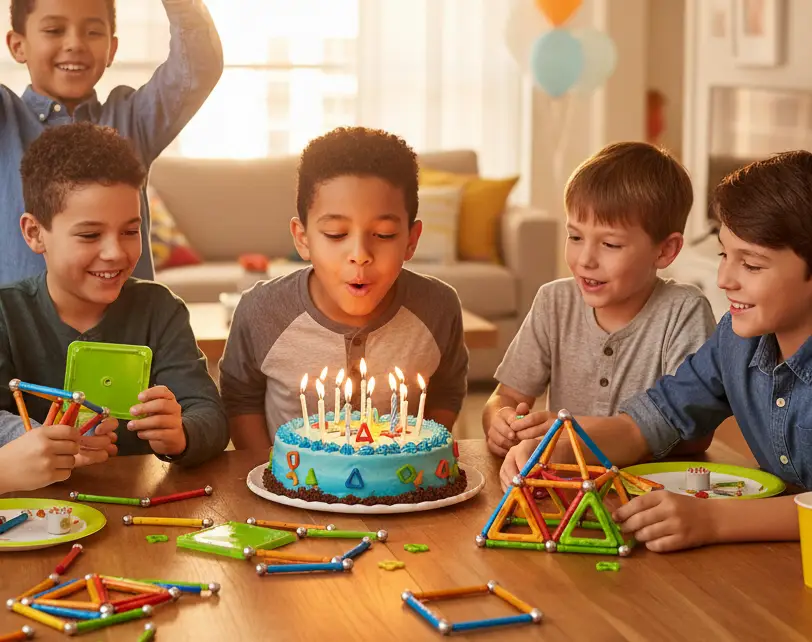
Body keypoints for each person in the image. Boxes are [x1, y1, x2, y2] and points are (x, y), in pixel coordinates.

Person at [502, 150, 812, 552]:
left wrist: (713, 520)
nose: (724, 280)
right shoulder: (734, 341)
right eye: (723, 254)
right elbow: (649, 422)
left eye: (751, 265)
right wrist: (560, 446)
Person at [0, 122, 228, 496]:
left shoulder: (160, 310)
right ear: (34, 233)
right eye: (90, 234)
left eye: (130, 231)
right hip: (35, 512)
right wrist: (43, 441)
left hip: (139, 507)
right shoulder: (6, 312)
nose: (116, 252)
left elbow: (210, 415)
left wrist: (181, 433)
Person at [221, 126, 468, 450]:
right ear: (302, 238)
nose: (360, 256)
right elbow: (240, 398)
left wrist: (418, 456)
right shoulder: (262, 311)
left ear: (411, 240)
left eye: (383, 234)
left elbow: (447, 388)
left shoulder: (438, 308)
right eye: (336, 234)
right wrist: (265, 468)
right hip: (290, 491)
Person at [483, 142, 716, 457]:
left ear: (665, 250)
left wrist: (573, 433)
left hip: (655, 488)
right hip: (568, 483)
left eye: (610, 244)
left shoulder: (684, 311)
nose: (585, 259)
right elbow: (506, 396)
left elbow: (696, 437)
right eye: (575, 237)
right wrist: (501, 420)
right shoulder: (554, 302)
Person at [0, 0, 223, 285]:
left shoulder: (132, 119)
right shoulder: (6, 121)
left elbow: (199, 66)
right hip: (20, 329)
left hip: (127, 328)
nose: (75, 44)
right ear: (18, 45)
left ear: (112, 49)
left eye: (92, 32)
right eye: (55, 30)